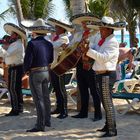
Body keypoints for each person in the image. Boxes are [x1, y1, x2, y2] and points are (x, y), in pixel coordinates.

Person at [85, 16, 126, 137]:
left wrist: (88, 50)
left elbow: (103, 58)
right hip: (102, 74)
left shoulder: (112, 42)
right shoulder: (104, 40)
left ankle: (112, 130)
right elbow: (96, 51)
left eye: (102, 29)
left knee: (107, 103)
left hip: (107, 75)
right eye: (100, 29)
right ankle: (108, 125)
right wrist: (88, 48)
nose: (100, 31)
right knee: (105, 102)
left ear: (109, 30)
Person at [23, 18, 54, 132]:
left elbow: (28, 60)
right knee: (46, 98)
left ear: (35, 31)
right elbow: (51, 59)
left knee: (38, 99)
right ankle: (47, 120)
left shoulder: (32, 44)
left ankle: (40, 125)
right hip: (46, 71)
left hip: (36, 73)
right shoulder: (49, 44)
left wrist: (26, 70)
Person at [70, 13, 102, 121]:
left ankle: (98, 114)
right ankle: (83, 112)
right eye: (83, 22)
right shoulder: (79, 34)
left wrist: (86, 47)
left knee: (94, 90)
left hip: (91, 64)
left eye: (86, 22)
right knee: (82, 89)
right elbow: (72, 45)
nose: (84, 24)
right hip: (80, 64)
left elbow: (97, 49)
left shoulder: (97, 34)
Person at [48, 18, 74, 119]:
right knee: (57, 88)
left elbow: (52, 46)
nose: (55, 29)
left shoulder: (64, 38)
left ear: (62, 29)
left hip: (59, 66)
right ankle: (59, 108)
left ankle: (64, 110)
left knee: (61, 89)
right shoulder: (58, 38)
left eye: (57, 27)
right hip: (54, 65)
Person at [0, 23, 26, 116]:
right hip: (15, 67)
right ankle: (19, 108)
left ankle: (15, 109)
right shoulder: (15, 44)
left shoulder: (17, 44)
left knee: (13, 88)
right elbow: (5, 55)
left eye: (12, 34)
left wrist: (2, 48)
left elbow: (7, 54)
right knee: (16, 88)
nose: (10, 36)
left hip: (15, 67)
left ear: (16, 35)